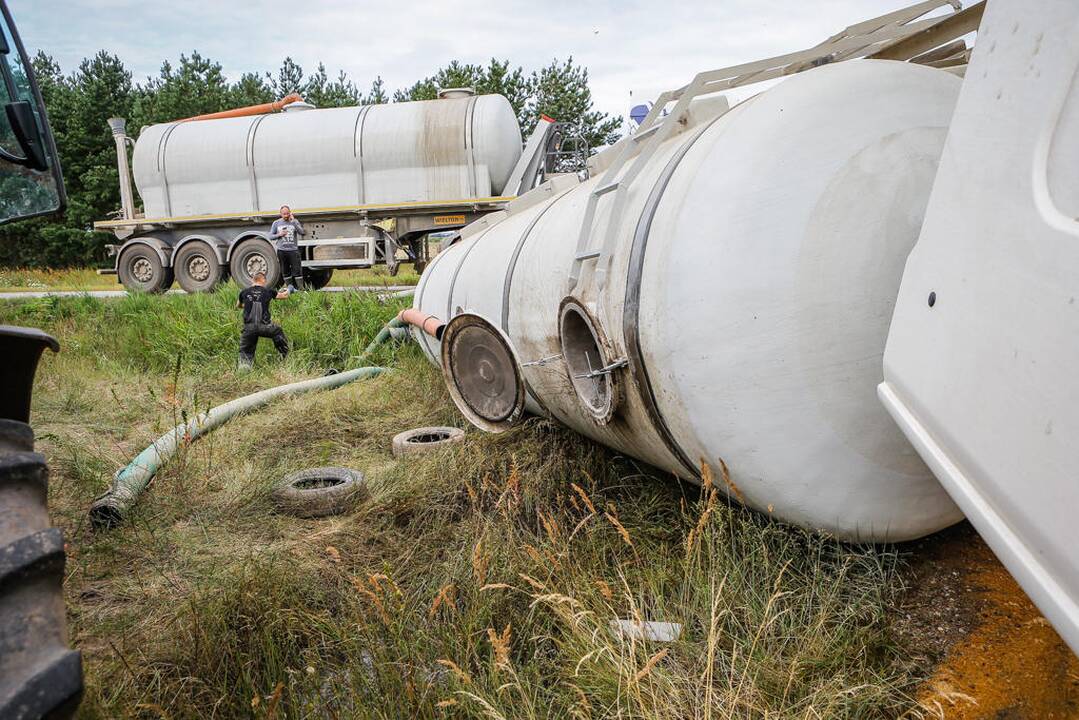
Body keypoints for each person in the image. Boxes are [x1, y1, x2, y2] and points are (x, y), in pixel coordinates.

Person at [237, 271, 290, 369]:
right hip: (265, 327)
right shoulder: (268, 291)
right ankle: (284, 356)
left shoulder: (244, 292)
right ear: (263, 280)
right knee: (277, 331)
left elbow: (239, 305)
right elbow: (284, 296)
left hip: (249, 328)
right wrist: (289, 290)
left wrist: (249, 303)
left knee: (246, 352)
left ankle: (244, 370)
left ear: (253, 280)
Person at [269, 205, 305, 292]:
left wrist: (294, 222)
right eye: (284, 214)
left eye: (287, 213)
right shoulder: (276, 223)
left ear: (290, 213)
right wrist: (279, 234)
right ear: (281, 214)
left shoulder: (294, 221)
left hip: (293, 250)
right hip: (282, 251)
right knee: (285, 271)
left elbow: (302, 232)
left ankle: (301, 290)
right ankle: (290, 289)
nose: (286, 215)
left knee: (297, 271)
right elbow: (270, 236)